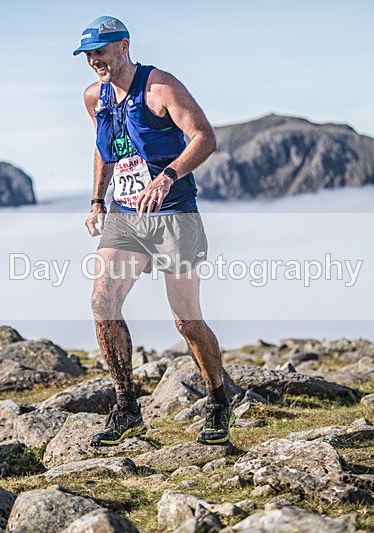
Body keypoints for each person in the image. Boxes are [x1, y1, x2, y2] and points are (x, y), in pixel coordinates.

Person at [73, 16, 233, 446]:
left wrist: (167, 177)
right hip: (126, 214)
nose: (93, 61)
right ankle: (127, 407)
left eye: (100, 52)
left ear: (124, 46)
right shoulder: (95, 96)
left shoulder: (160, 87)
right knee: (103, 301)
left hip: (174, 213)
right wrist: (96, 200)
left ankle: (219, 401)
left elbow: (204, 137)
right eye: (87, 55)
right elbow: (104, 149)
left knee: (186, 320)